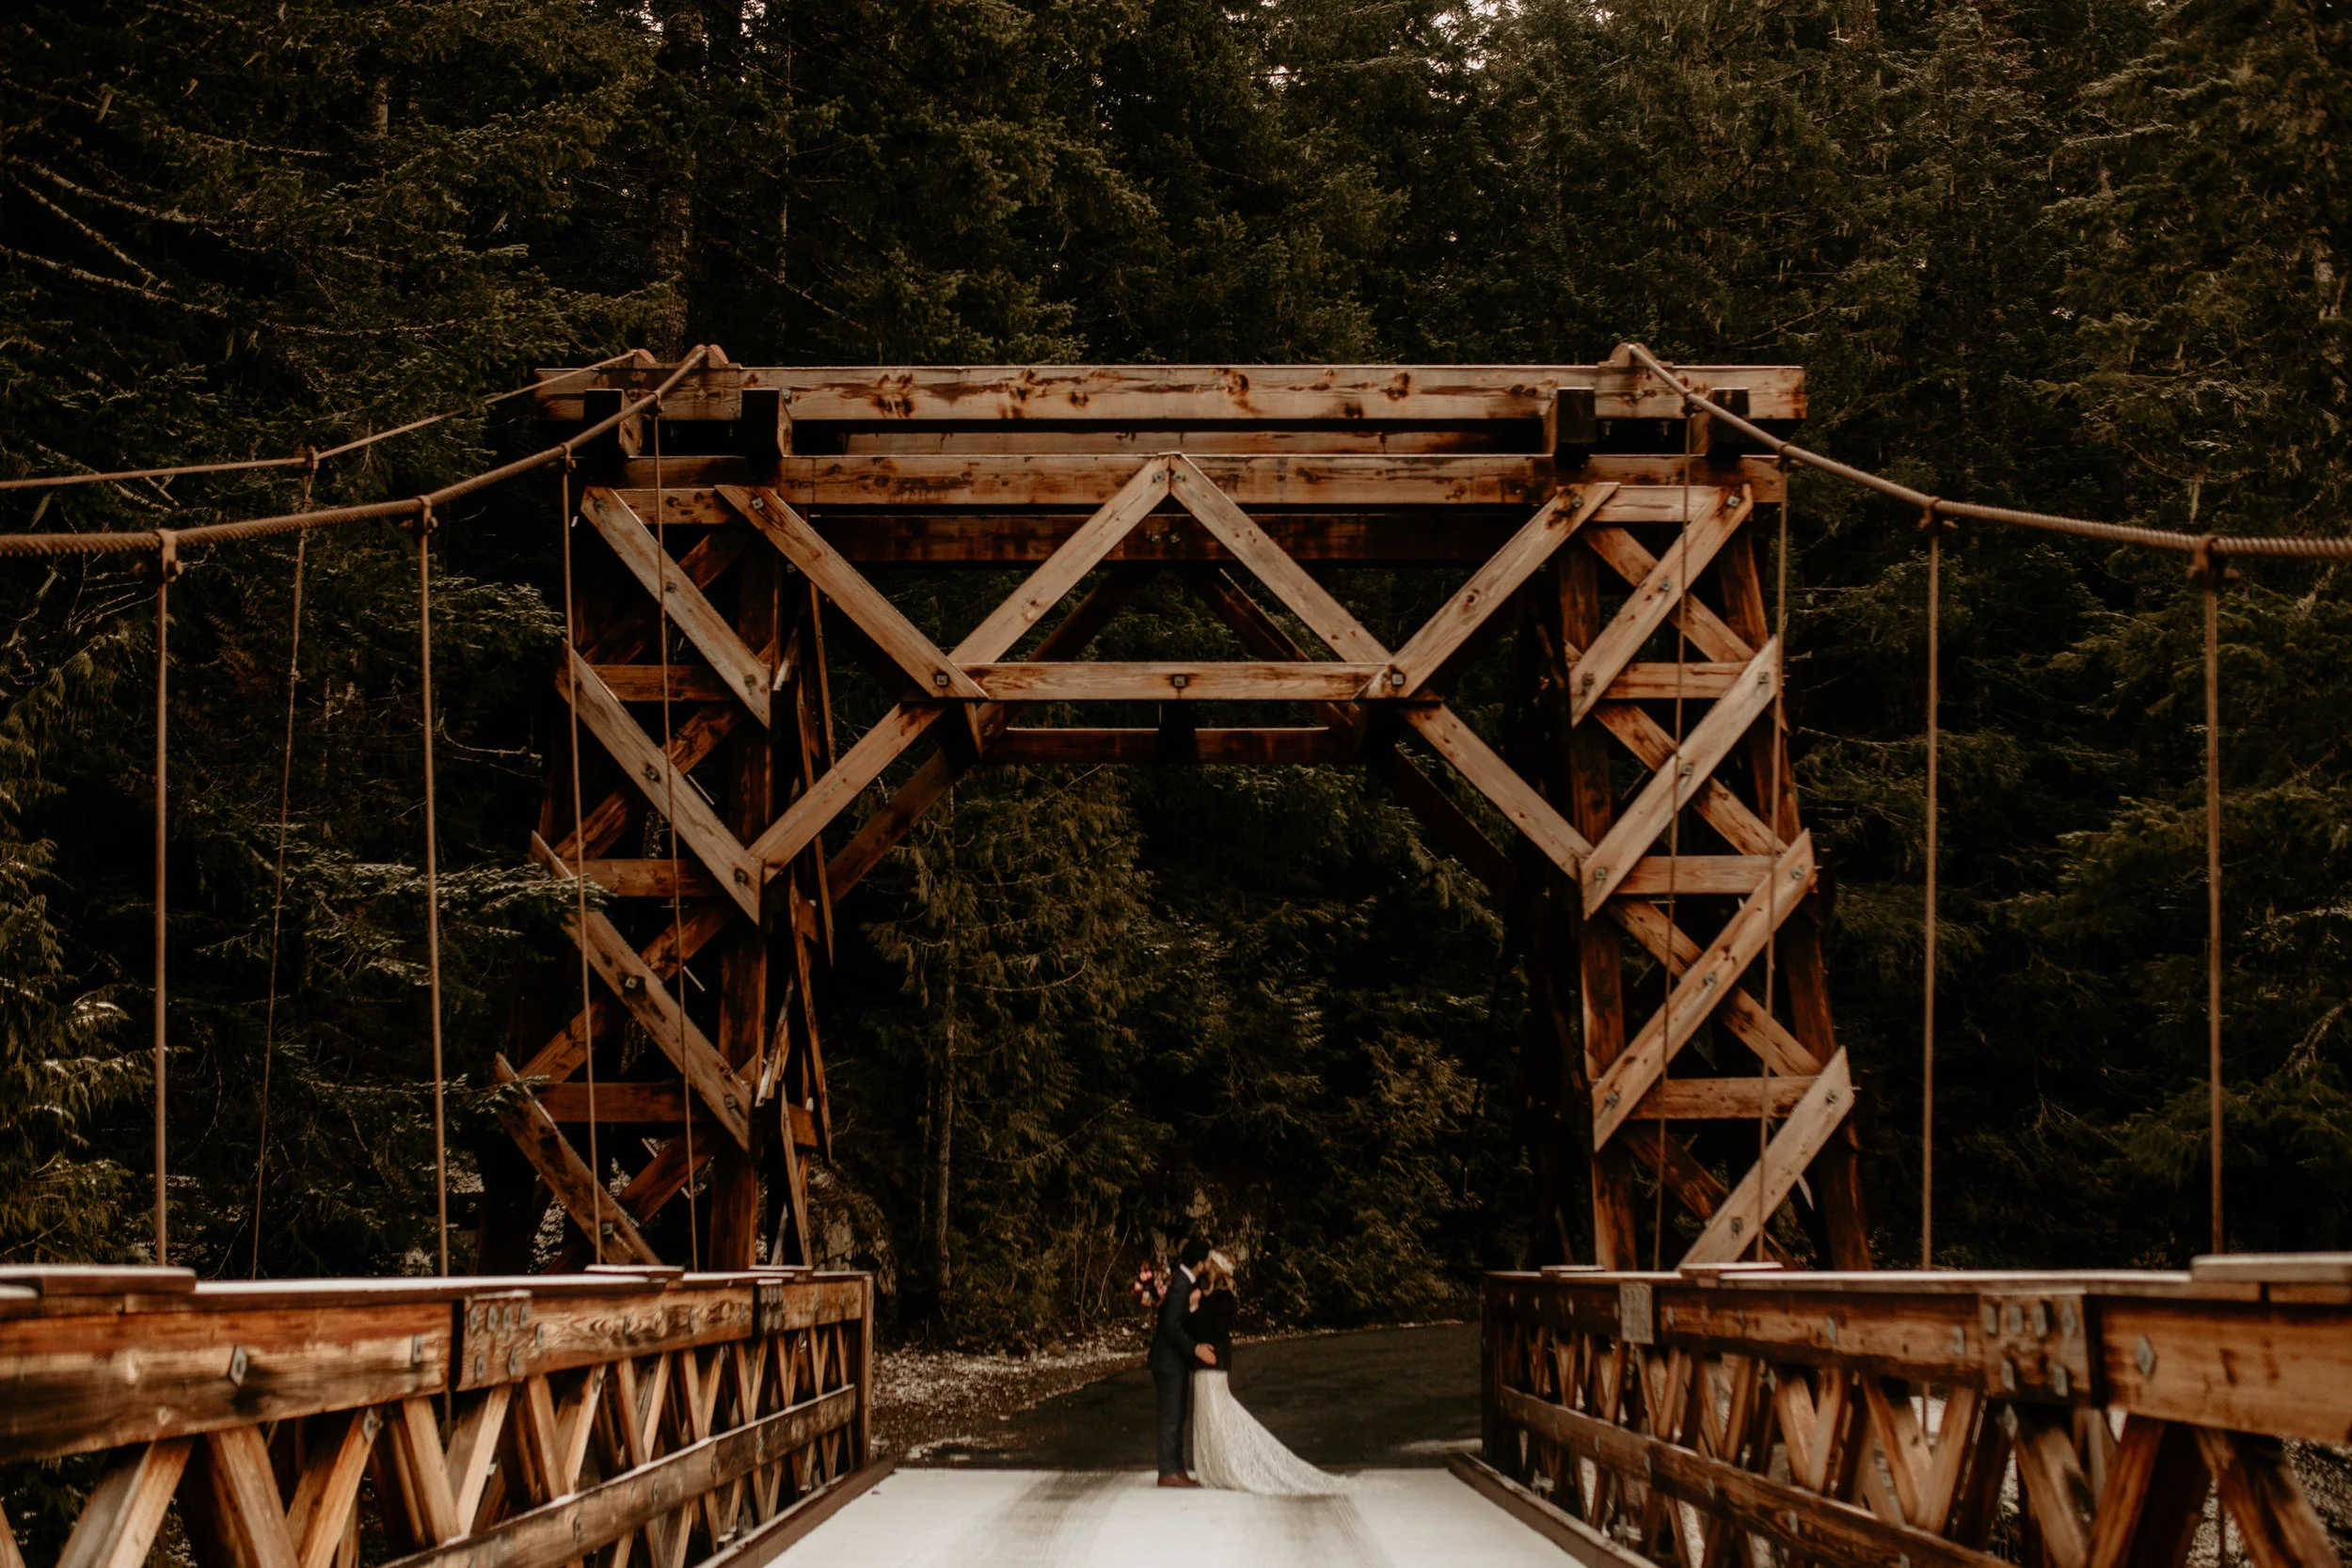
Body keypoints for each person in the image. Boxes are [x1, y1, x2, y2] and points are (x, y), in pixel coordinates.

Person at [1182, 1250, 1350, 1495]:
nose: (1206, 1264)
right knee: (1209, 1414)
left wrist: (1194, 1308)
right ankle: (1215, 1466)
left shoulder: (1224, 1297)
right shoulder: (1208, 1293)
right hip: (1205, 1360)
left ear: (1219, 1267)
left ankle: (1228, 1465)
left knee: (1216, 1413)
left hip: (1213, 1360)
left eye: (1211, 1261)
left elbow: (1212, 1329)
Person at [1149, 1239, 1216, 1487]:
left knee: (1177, 1414)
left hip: (1173, 1361)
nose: (1209, 1264)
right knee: (1171, 1415)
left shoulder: (1185, 1282)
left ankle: (1176, 1468)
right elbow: (1170, 1325)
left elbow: (1176, 1317)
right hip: (1168, 1361)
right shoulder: (1180, 1284)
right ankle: (1168, 1471)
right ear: (1199, 1264)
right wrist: (1195, 1348)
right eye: (1208, 1260)